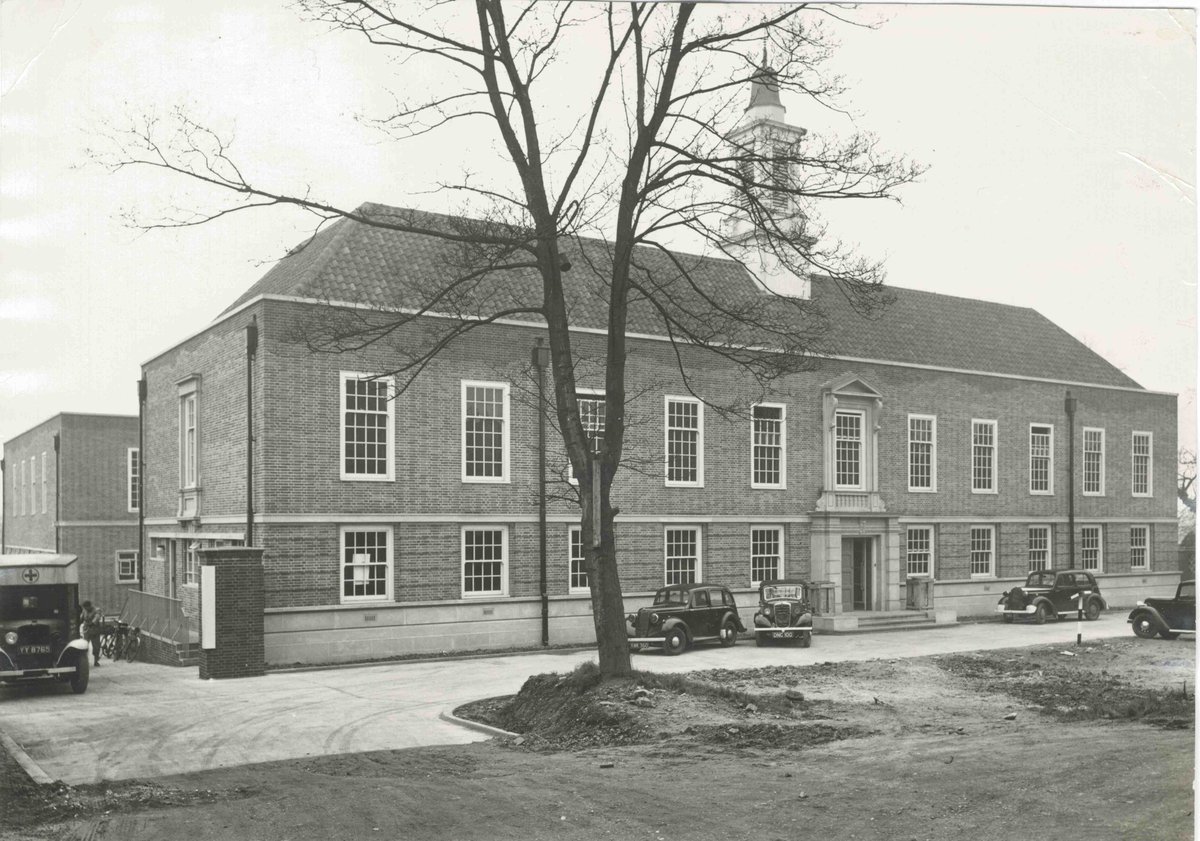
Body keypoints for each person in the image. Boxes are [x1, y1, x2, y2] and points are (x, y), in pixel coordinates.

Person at [79, 601, 103, 666]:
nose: (86, 609)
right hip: (86, 631)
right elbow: (81, 618)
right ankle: (85, 661)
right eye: (85, 608)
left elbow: (97, 617)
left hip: (95, 630)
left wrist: (92, 623)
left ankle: (96, 661)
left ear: (90, 606)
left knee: (96, 647)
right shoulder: (84, 610)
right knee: (85, 646)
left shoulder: (97, 610)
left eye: (86, 608)